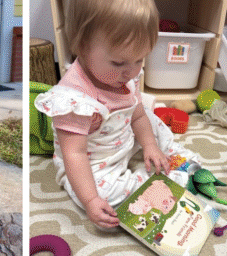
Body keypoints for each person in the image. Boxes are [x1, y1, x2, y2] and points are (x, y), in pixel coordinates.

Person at [34, 0, 200, 228]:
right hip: (94, 162)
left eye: (139, 59)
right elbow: (74, 155)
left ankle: (172, 154)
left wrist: (150, 146)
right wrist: (91, 199)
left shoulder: (125, 74)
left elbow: (138, 116)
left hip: (123, 139)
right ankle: (153, 181)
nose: (131, 71)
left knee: (152, 119)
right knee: (105, 196)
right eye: (119, 62)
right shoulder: (73, 100)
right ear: (82, 46)